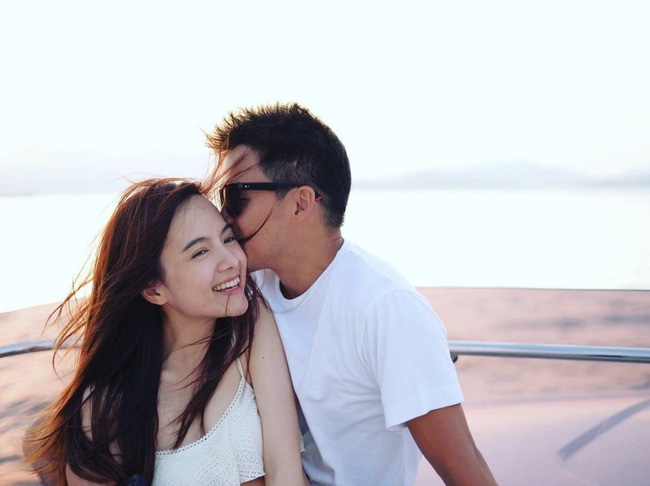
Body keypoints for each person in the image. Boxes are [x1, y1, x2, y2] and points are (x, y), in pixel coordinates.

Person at [205, 103, 498, 486]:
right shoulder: (249, 290)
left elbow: (464, 469)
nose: (223, 217)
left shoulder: (385, 309)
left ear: (301, 203)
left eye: (234, 198)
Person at [25, 178, 307, 485]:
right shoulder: (106, 410)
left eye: (228, 239)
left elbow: (284, 465)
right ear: (154, 289)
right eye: (200, 252)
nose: (232, 260)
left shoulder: (250, 326)